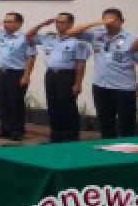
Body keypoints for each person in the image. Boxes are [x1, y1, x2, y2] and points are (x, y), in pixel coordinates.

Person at [70, 9, 138, 138]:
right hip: (101, 86)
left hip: (124, 88)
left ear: (122, 21)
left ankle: (127, 148)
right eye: (106, 20)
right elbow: (71, 32)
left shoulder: (132, 38)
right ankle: (108, 147)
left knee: (127, 125)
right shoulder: (96, 35)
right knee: (105, 123)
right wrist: (98, 23)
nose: (110, 23)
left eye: (113, 20)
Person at [27, 13, 91, 143]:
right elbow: (28, 36)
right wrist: (42, 24)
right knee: (53, 106)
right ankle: (56, 136)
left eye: (62, 22)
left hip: (67, 75)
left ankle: (70, 137)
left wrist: (78, 83)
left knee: (67, 107)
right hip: (51, 74)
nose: (58, 25)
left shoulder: (78, 41)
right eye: (57, 22)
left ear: (70, 24)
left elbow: (81, 63)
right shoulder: (49, 38)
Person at [0, 13, 36, 141]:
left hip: (17, 73)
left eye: (9, 22)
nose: (6, 24)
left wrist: (26, 76)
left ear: (19, 24)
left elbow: (31, 57)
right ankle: (4, 129)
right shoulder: (0, 35)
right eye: (5, 21)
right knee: (3, 102)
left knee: (16, 102)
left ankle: (17, 130)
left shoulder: (25, 37)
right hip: (3, 72)